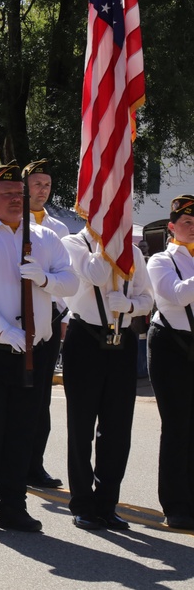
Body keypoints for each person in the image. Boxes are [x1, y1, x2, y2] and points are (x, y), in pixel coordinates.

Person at [0, 162, 76, 533]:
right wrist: (8, 333)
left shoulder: (44, 238)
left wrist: (45, 278)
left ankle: (14, 505)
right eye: (6, 193)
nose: (14, 199)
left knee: (22, 430)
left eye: (19, 194)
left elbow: (70, 282)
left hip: (35, 350)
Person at [61, 221, 152, 530]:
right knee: (82, 425)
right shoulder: (74, 243)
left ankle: (107, 503)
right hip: (85, 338)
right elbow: (97, 274)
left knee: (117, 428)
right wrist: (109, 243)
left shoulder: (134, 254)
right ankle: (82, 503)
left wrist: (130, 304)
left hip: (122, 340)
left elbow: (148, 298)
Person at [23, 159, 72, 490]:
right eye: (38, 184)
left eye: (47, 186)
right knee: (17, 394)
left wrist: (65, 316)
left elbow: (67, 277)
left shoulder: (60, 230)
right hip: (17, 317)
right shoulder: (11, 222)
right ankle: (11, 462)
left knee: (41, 397)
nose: (43, 191)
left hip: (50, 319)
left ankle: (34, 465)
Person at [147, 194, 194, 531]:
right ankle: (176, 504)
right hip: (171, 346)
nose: (193, 228)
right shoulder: (161, 260)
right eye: (187, 222)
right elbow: (175, 295)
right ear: (172, 227)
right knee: (177, 426)